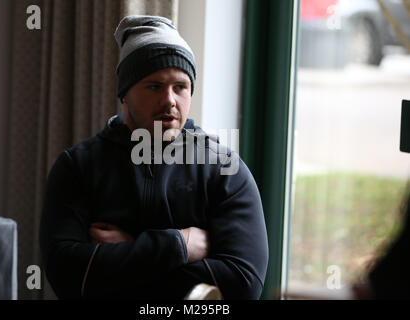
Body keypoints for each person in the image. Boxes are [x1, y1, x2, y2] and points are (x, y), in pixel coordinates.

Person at [39, 15, 268, 300]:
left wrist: (131, 249)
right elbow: (67, 276)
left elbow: (243, 285)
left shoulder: (224, 170)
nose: (170, 100)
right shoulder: (78, 167)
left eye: (180, 87)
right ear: (125, 94)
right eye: (155, 86)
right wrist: (178, 246)